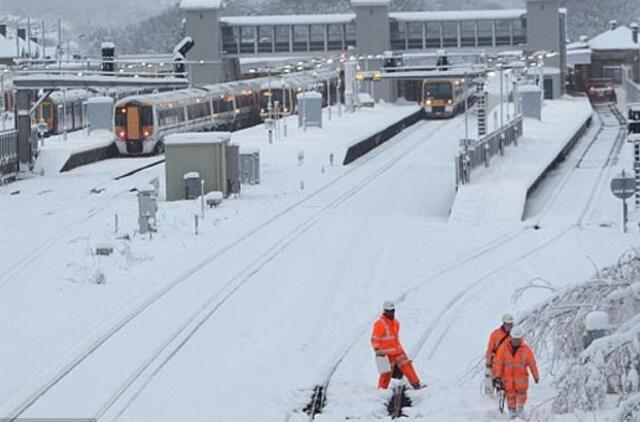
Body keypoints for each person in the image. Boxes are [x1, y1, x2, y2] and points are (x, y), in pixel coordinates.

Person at [370, 300, 423, 390]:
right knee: (386, 373)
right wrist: (377, 349)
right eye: (389, 311)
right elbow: (374, 339)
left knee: (407, 367)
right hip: (386, 354)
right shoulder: (380, 324)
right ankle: (382, 390)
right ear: (385, 311)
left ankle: (416, 384)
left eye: (393, 311)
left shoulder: (396, 323)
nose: (392, 313)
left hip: (398, 351)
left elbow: (394, 338)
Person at [493, 326, 539, 419]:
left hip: (522, 381)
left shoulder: (526, 350)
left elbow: (532, 363)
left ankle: (521, 413)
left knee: (521, 399)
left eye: (518, 339)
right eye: (514, 339)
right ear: (511, 337)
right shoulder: (503, 349)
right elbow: (498, 363)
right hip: (508, 380)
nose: (516, 341)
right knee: (510, 399)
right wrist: (497, 377)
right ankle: (512, 415)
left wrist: (536, 376)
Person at [484, 314, 514, 394]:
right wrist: (488, 360)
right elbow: (490, 348)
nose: (509, 326)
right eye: (507, 324)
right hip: (497, 363)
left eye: (510, 324)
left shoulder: (514, 335)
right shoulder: (496, 334)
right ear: (504, 323)